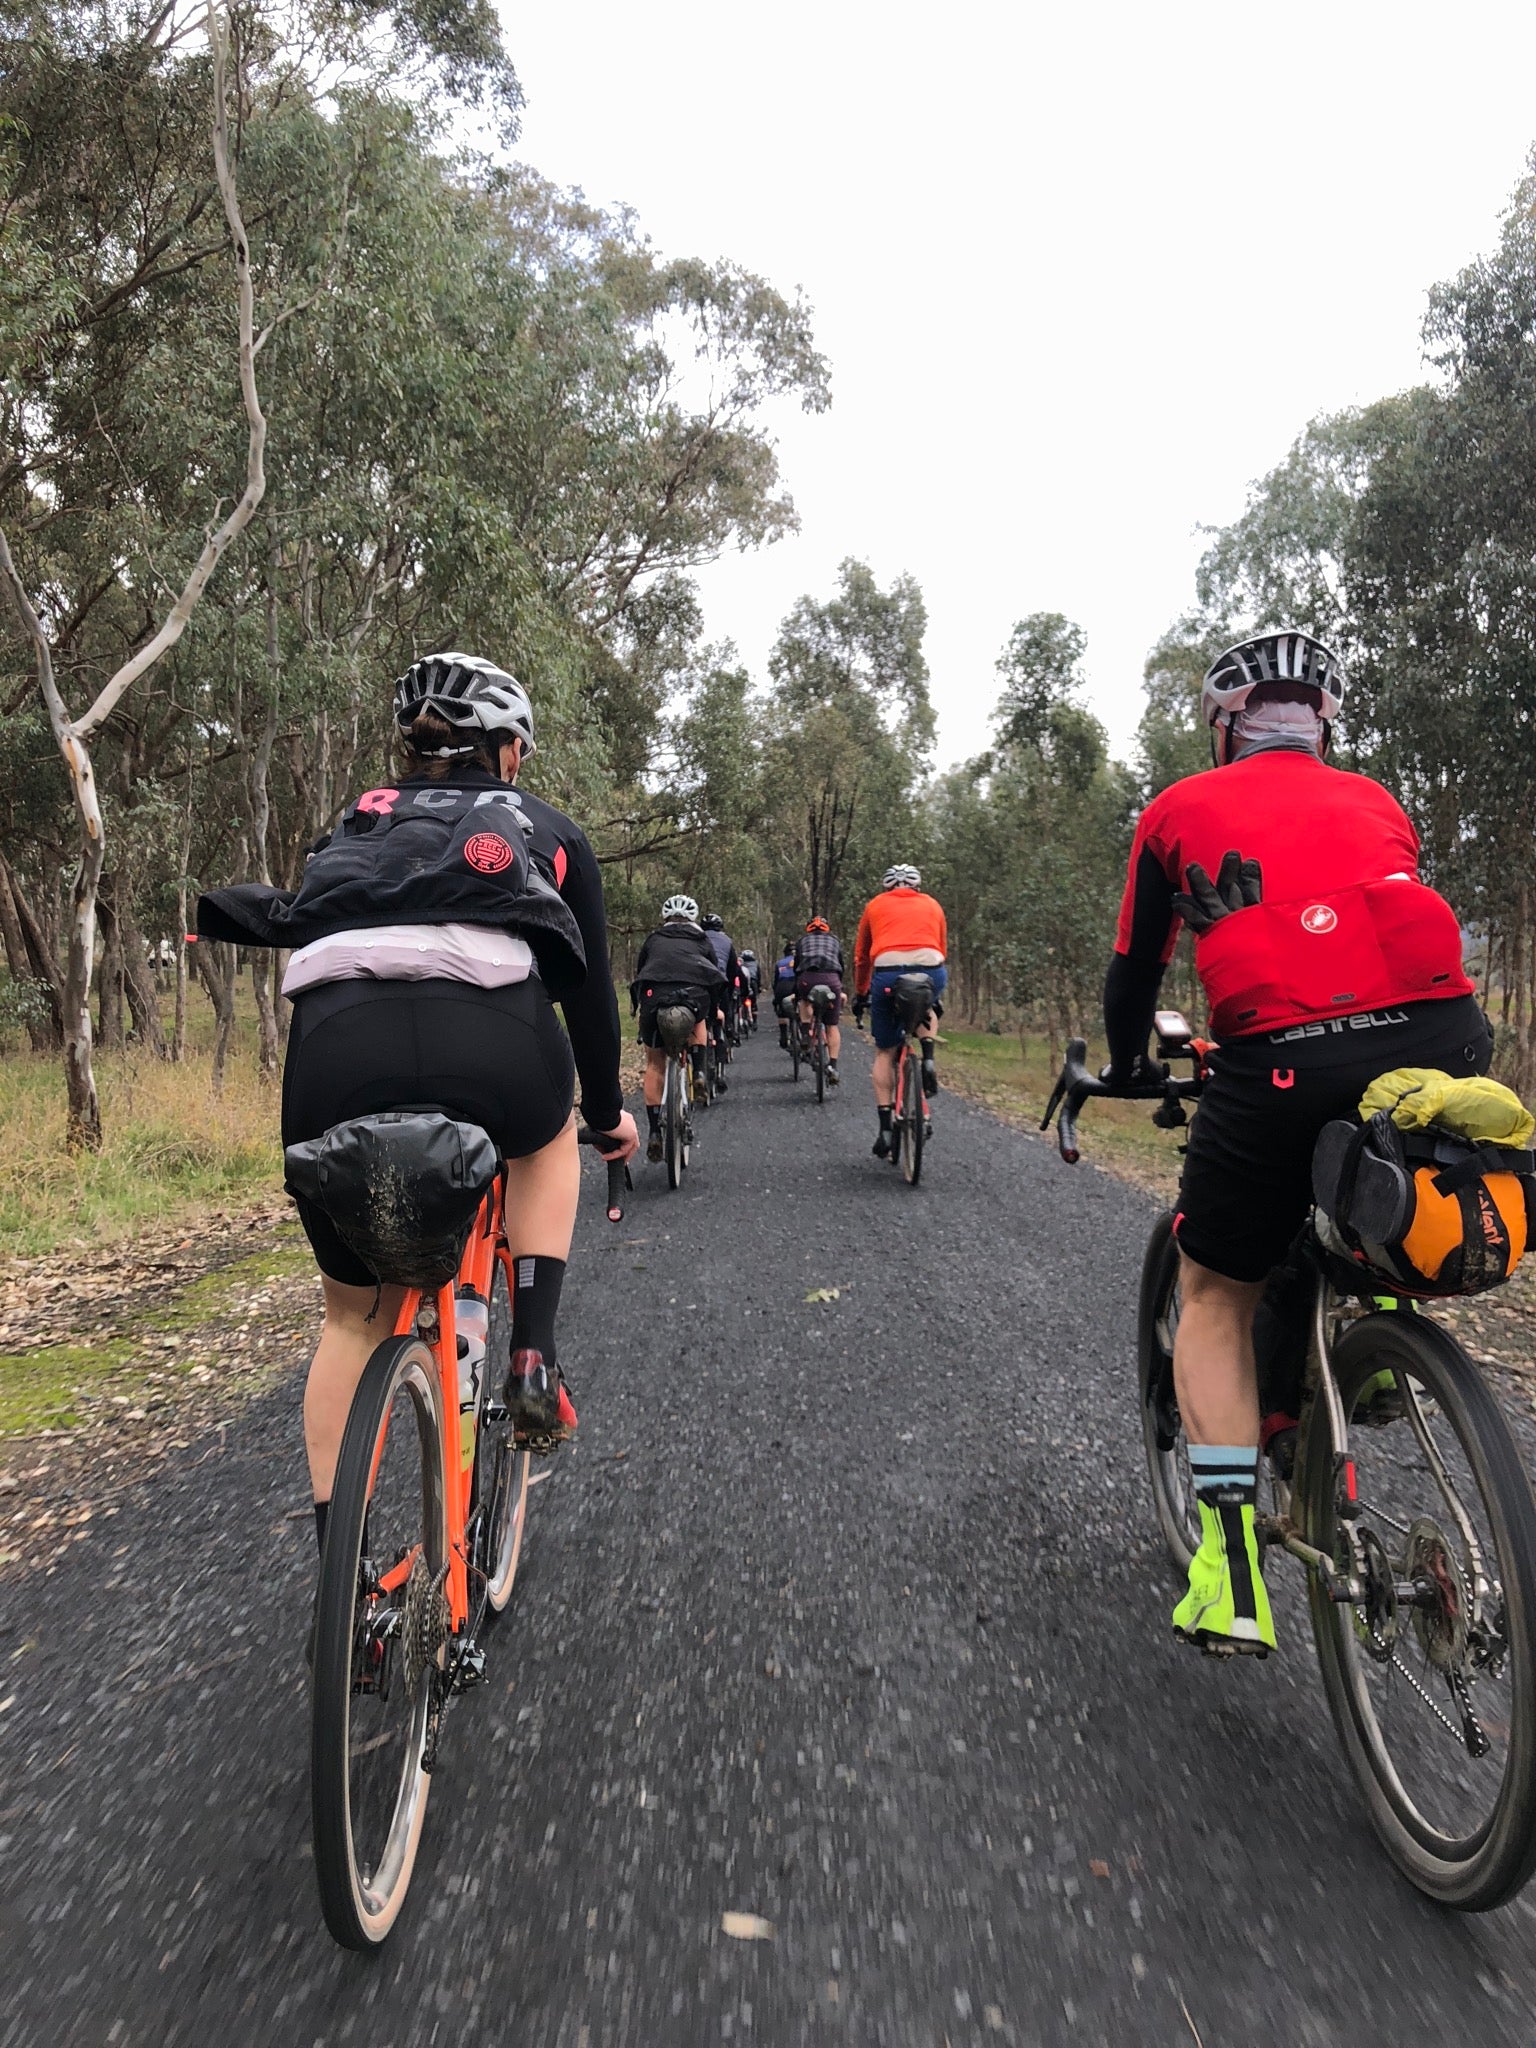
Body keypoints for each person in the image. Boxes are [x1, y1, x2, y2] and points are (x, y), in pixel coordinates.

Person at [198, 651, 640, 1581]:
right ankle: (532, 1354)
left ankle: (348, 1592)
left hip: (335, 1050)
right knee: (545, 1142)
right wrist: (605, 1116)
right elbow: (592, 1002)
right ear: (508, 752)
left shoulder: (358, 820)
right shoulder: (544, 827)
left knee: (350, 1321)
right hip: (497, 1041)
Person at [1103, 629, 1490, 1656]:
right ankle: (1373, 1340)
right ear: (1325, 718)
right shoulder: (1378, 802)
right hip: (1447, 1040)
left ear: (1227, 721)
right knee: (1378, 1150)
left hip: (1276, 1054)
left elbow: (1135, 974)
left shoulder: (1177, 811)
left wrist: (1129, 1060)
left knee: (1217, 1289)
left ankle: (1229, 1565)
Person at [853, 865, 948, 1156]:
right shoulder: (933, 904)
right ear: (917, 886)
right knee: (928, 1007)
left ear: (887, 887)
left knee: (885, 1051)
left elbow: (861, 956)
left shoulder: (875, 905)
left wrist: (860, 992)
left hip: (887, 974)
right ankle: (928, 1057)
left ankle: (885, 1128)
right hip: (930, 969)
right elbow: (941, 947)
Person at [631, 894, 729, 1155]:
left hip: (655, 999)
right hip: (693, 994)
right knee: (700, 1020)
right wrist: (715, 1009)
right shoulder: (701, 939)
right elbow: (714, 973)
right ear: (692, 918)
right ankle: (698, 1073)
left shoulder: (653, 939)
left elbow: (640, 972)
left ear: (665, 918)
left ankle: (653, 1131)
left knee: (654, 1064)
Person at [793, 916, 847, 1084]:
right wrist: (839, 986)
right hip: (832, 980)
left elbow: (797, 965)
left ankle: (805, 1033)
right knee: (832, 1026)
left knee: (804, 1001)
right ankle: (833, 1066)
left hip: (808, 978)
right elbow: (841, 966)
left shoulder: (802, 941)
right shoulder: (835, 941)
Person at [700, 913, 742, 1082]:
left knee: (701, 1018)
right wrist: (731, 990)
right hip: (719, 984)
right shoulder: (727, 941)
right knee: (722, 1016)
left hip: (699, 984)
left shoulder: (697, 937)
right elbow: (733, 971)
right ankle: (723, 1042)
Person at [772, 938, 797, 1050]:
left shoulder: (780, 963)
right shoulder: (800, 960)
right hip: (796, 984)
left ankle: (783, 1035)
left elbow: (776, 980)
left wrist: (776, 997)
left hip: (782, 986)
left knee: (780, 1010)